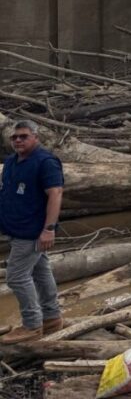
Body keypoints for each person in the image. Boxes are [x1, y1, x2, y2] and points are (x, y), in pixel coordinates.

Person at [0, 120, 64, 344]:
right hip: (15, 228)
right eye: (14, 137)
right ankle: (52, 318)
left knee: (16, 277)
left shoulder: (45, 162)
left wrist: (49, 229)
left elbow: (55, 194)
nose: (18, 140)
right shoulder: (10, 162)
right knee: (41, 272)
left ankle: (32, 325)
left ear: (35, 137)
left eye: (23, 136)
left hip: (33, 231)